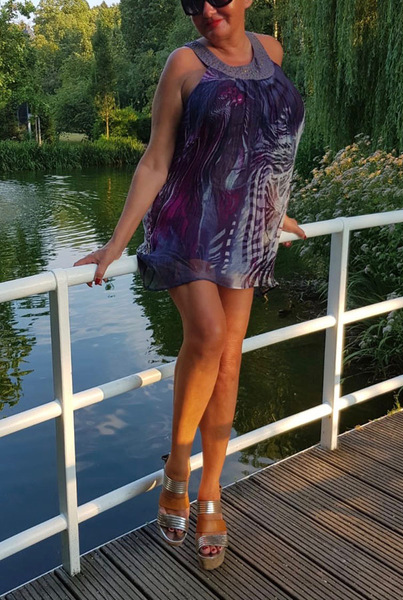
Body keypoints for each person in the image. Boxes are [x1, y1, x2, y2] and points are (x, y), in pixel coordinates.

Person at [74, 0, 306, 571]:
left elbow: (268, 141)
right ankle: (177, 470)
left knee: (229, 359)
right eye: (190, 1)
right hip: (184, 221)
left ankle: (210, 493)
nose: (204, 9)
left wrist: (274, 209)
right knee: (208, 334)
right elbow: (156, 160)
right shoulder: (184, 64)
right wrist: (115, 243)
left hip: (244, 228)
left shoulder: (272, 52)